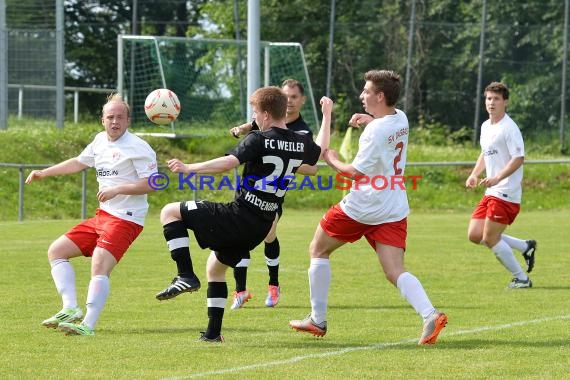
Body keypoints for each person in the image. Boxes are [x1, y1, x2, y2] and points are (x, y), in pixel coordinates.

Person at [155, 86, 333, 342]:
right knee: (215, 269)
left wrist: (188, 168)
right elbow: (318, 157)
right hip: (261, 226)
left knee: (170, 212)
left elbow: (227, 163)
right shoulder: (299, 141)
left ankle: (184, 275)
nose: (254, 117)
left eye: (255, 112)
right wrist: (326, 115)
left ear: (267, 114)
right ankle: (213, 334)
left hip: (239, 216)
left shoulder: (259, 138)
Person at [289, 69, 448, 345]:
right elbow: (384, 132)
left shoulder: (375, 131)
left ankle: (317, 318)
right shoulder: (400, 118)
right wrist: (370, 119)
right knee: (394, 270)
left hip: (363, 205)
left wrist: (331, 157)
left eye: (366, 91)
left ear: (380, 96)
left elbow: (355, 173)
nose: (362, 95)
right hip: (393, 204)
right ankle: (430, 314)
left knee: (318, 248)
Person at [26, 93, 157, 336]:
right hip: (103, 216)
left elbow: (152, 183)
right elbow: (79, 162)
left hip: (127, 218)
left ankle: (88, 324)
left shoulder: (139, 147)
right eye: (110, 117)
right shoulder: (99, 141)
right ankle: (70, 308)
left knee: (99, 264)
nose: (115, 122)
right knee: (57, 251)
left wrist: (118, 189)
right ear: (102, 120)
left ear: (128, 121)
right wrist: (44, 172)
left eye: (120, 117)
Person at [227, 78, 313, 310]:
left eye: (293, 97)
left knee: (268, 235)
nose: (289, 102)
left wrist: (282, 157)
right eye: (286, 97)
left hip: (272, 196)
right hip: (250, 191)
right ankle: (241, 290)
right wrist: (246, 127)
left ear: (301, 100)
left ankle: (273, 286)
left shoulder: (302, 132)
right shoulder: (268, 122)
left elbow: (311, 167)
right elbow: (261, 130)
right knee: (241, 237)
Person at [466, 81, 536, 288]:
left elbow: (518, 158)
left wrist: (498, 177)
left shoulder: (509, 128)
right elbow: (485, 153)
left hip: (506, 191)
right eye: (488, 98)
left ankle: (521, 278)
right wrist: (474, 174)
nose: (491, 103)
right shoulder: (486, 126)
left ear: (505, 102)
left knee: (489, 237)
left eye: (496, 99)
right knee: (475, 235)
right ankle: (525, 246)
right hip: (491, 191)